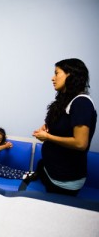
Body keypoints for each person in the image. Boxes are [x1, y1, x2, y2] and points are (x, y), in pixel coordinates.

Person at [32, 58, 97, 196]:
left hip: (64, 181)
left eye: (57, 73)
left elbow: (80, 143)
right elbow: (62, 126)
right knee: (39, 165)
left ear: (70, 74)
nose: (52, 78)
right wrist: (47, 128)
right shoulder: (65, 101)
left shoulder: (81, 103)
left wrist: (48, 137)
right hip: (52, 170)